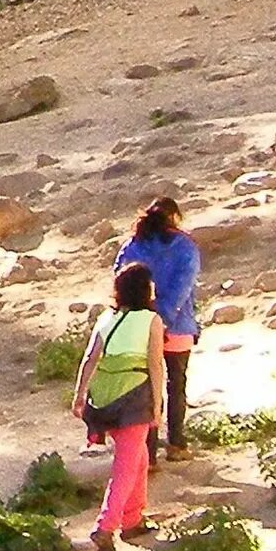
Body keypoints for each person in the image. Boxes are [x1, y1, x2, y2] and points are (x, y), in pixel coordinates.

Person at [69, 262, 165, 551]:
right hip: (134, 398)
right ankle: (106, 526)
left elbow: (89, 359)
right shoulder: (151, 320)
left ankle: (133, 520)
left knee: (139, 457)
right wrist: (158, 404)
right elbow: (155, 364)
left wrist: (80, 395)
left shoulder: (106, 319)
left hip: (103, 398)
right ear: (146, 290)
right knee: (126, 464)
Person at [116, 197, 200, 462]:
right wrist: (162, 319)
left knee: (146, 389)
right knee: (176, 384)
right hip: (178, 327)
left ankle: (147, 454)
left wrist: (140, 319)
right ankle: (177, 444)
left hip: (138, 325)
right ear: (174, 217)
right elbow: (181, 288)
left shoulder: (132, 244)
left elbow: (120, 278)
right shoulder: (186, 247)